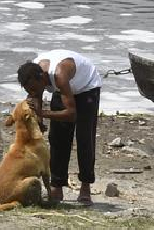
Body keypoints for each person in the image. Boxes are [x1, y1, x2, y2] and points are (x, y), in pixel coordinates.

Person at [16, 50, 103, 205]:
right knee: (57, 138)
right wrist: (40, 120)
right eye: (29, 90)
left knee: (84, 138)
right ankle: (57, 186)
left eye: (35, 88)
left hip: (86, 87)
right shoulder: (34, 74)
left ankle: (85, 186)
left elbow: (71, 114)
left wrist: (43, 112)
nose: (33, 92)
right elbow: (36, 96)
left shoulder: (60, 75)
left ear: (42, 78)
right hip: (63, 89)